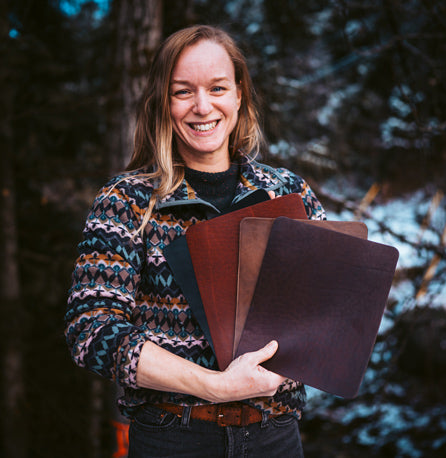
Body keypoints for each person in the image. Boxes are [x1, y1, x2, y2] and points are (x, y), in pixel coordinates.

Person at [65, 25, 326, 457]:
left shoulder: (289, 194)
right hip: (173, 436)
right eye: (183, 91)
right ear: (163, 103)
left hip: (275, 436)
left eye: (217, 88)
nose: (202, 106)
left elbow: (325, 309)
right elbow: (90, 330)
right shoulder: (128, 200)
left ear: (239, 94)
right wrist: (214, 386)